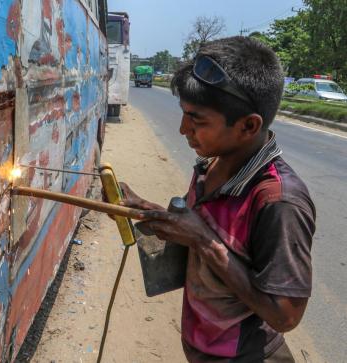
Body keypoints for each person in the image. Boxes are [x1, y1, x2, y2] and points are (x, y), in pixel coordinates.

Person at [120, 36, 316, 362]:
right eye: (184, 114)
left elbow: (285, 317)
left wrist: (203, 241)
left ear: (248, 126)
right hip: (203, 349)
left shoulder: (279, 202)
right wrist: (147, 211)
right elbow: (199, 227)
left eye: (197, 119)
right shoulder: (212, 164)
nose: (183, 129)